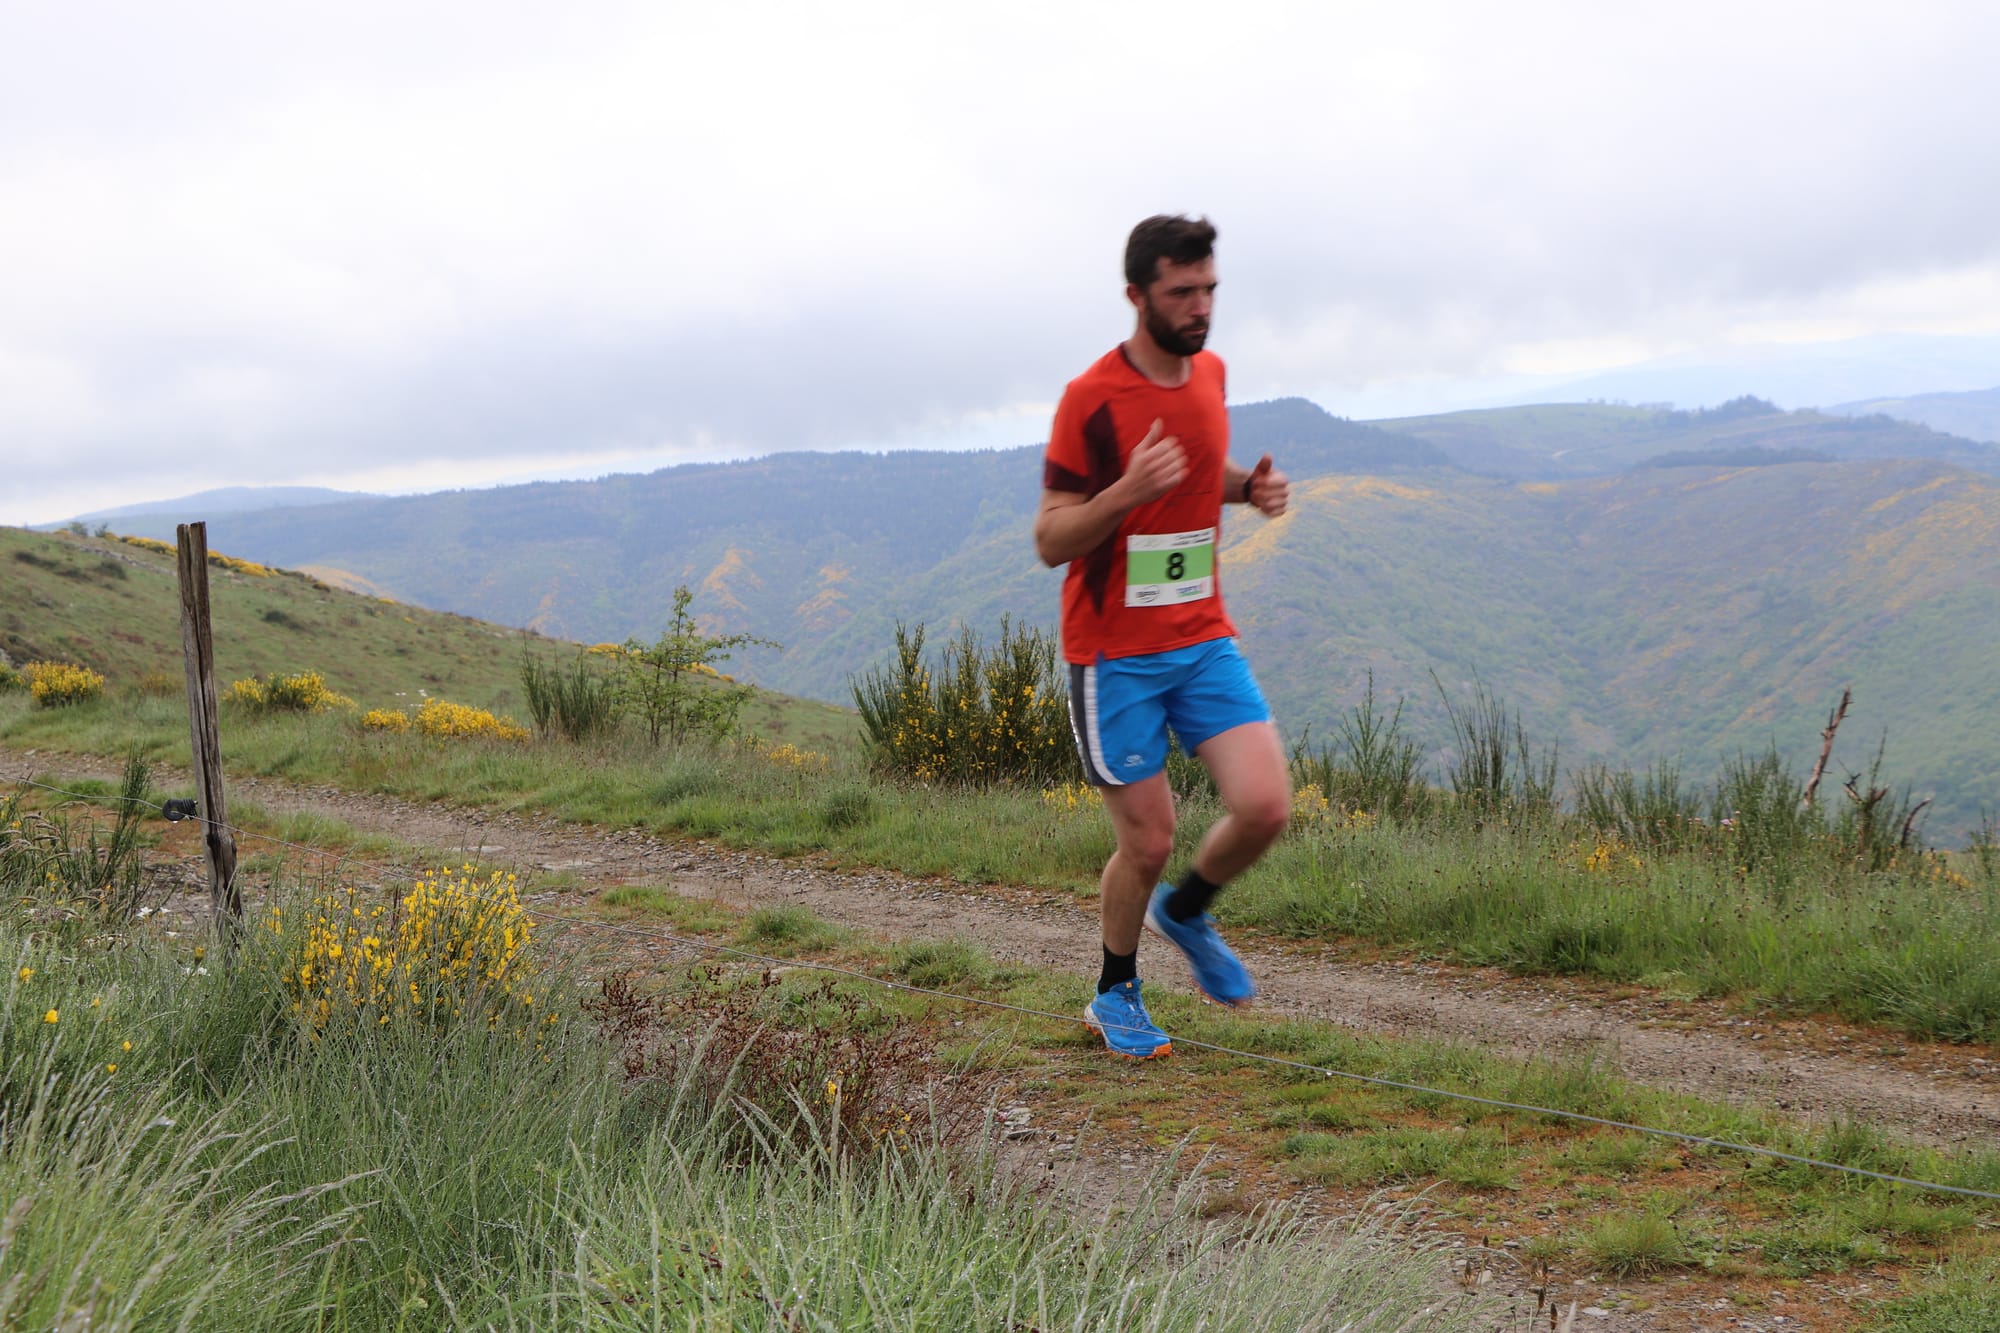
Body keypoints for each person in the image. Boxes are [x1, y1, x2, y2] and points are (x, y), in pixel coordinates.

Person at [1034, 214, 1292, 1059]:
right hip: (1114, 656)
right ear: (1137, 294)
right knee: (1146, 840)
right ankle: (1115, 992)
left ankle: (1186, 908)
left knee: (1264, 806)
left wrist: (1243, 492)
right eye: (1182, 292)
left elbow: (1189, 479)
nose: (1200, 306)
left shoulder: (1211, 373)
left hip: (1203, 638)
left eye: (1209, 289)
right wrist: (1124, 492)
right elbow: (1051, 539)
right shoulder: (1090, 400)